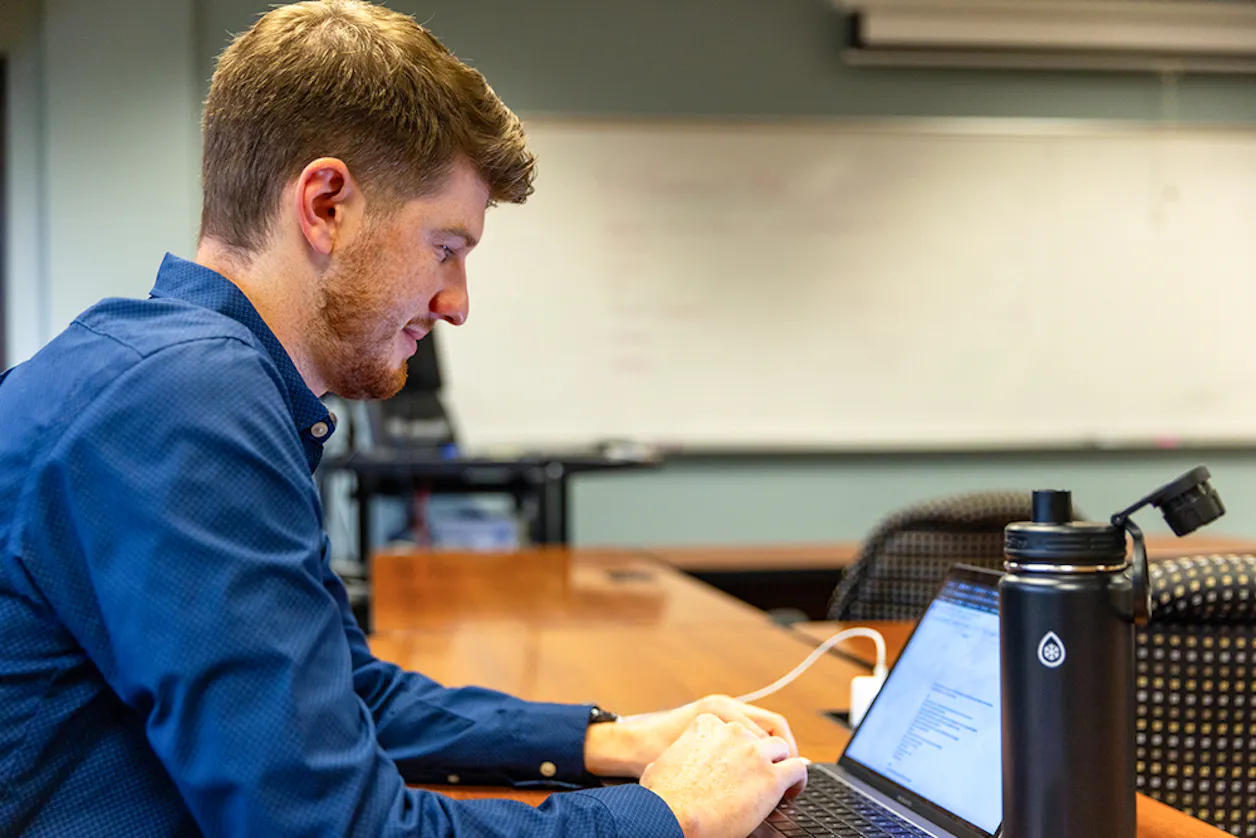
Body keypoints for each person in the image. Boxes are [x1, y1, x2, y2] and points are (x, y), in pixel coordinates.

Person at [0, 2, 809, 836]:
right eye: (446, 249)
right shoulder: (189, 404)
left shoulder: (171, 374)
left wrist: (606, 740)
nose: (456, 305)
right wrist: (668, 814)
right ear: (325, 205)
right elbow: (337, 828)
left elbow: (349, 695)